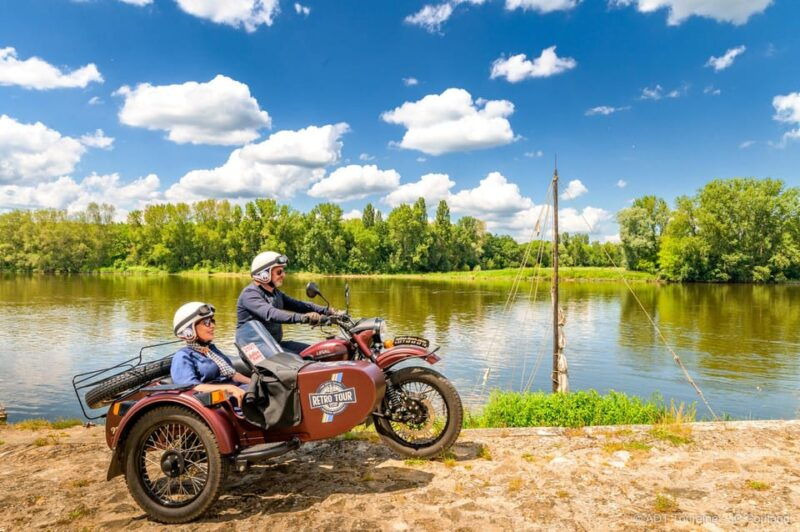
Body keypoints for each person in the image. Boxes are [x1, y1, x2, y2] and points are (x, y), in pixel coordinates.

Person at [236, 251, 340, 353]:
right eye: (279, 272)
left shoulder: (275, 293)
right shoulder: (250, 294)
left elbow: (300, 305)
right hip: (255, 350)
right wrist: (304, 318)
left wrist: (329, 311)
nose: (283, 275)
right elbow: (271, 314)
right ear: (264, 274)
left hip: (273, 345)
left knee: (318, 353)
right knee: (301, 365)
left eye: (283, 271)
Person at [170, 302, 251, 405]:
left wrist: (254, 382)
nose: (212, 326)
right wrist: (230, 389)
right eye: (207, 322)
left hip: (234, 392)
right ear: (188, 330)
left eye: (212, 321)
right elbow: (191, 387)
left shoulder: (211, 350)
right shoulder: (183, 356)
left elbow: (232, 374)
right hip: (216, 400)